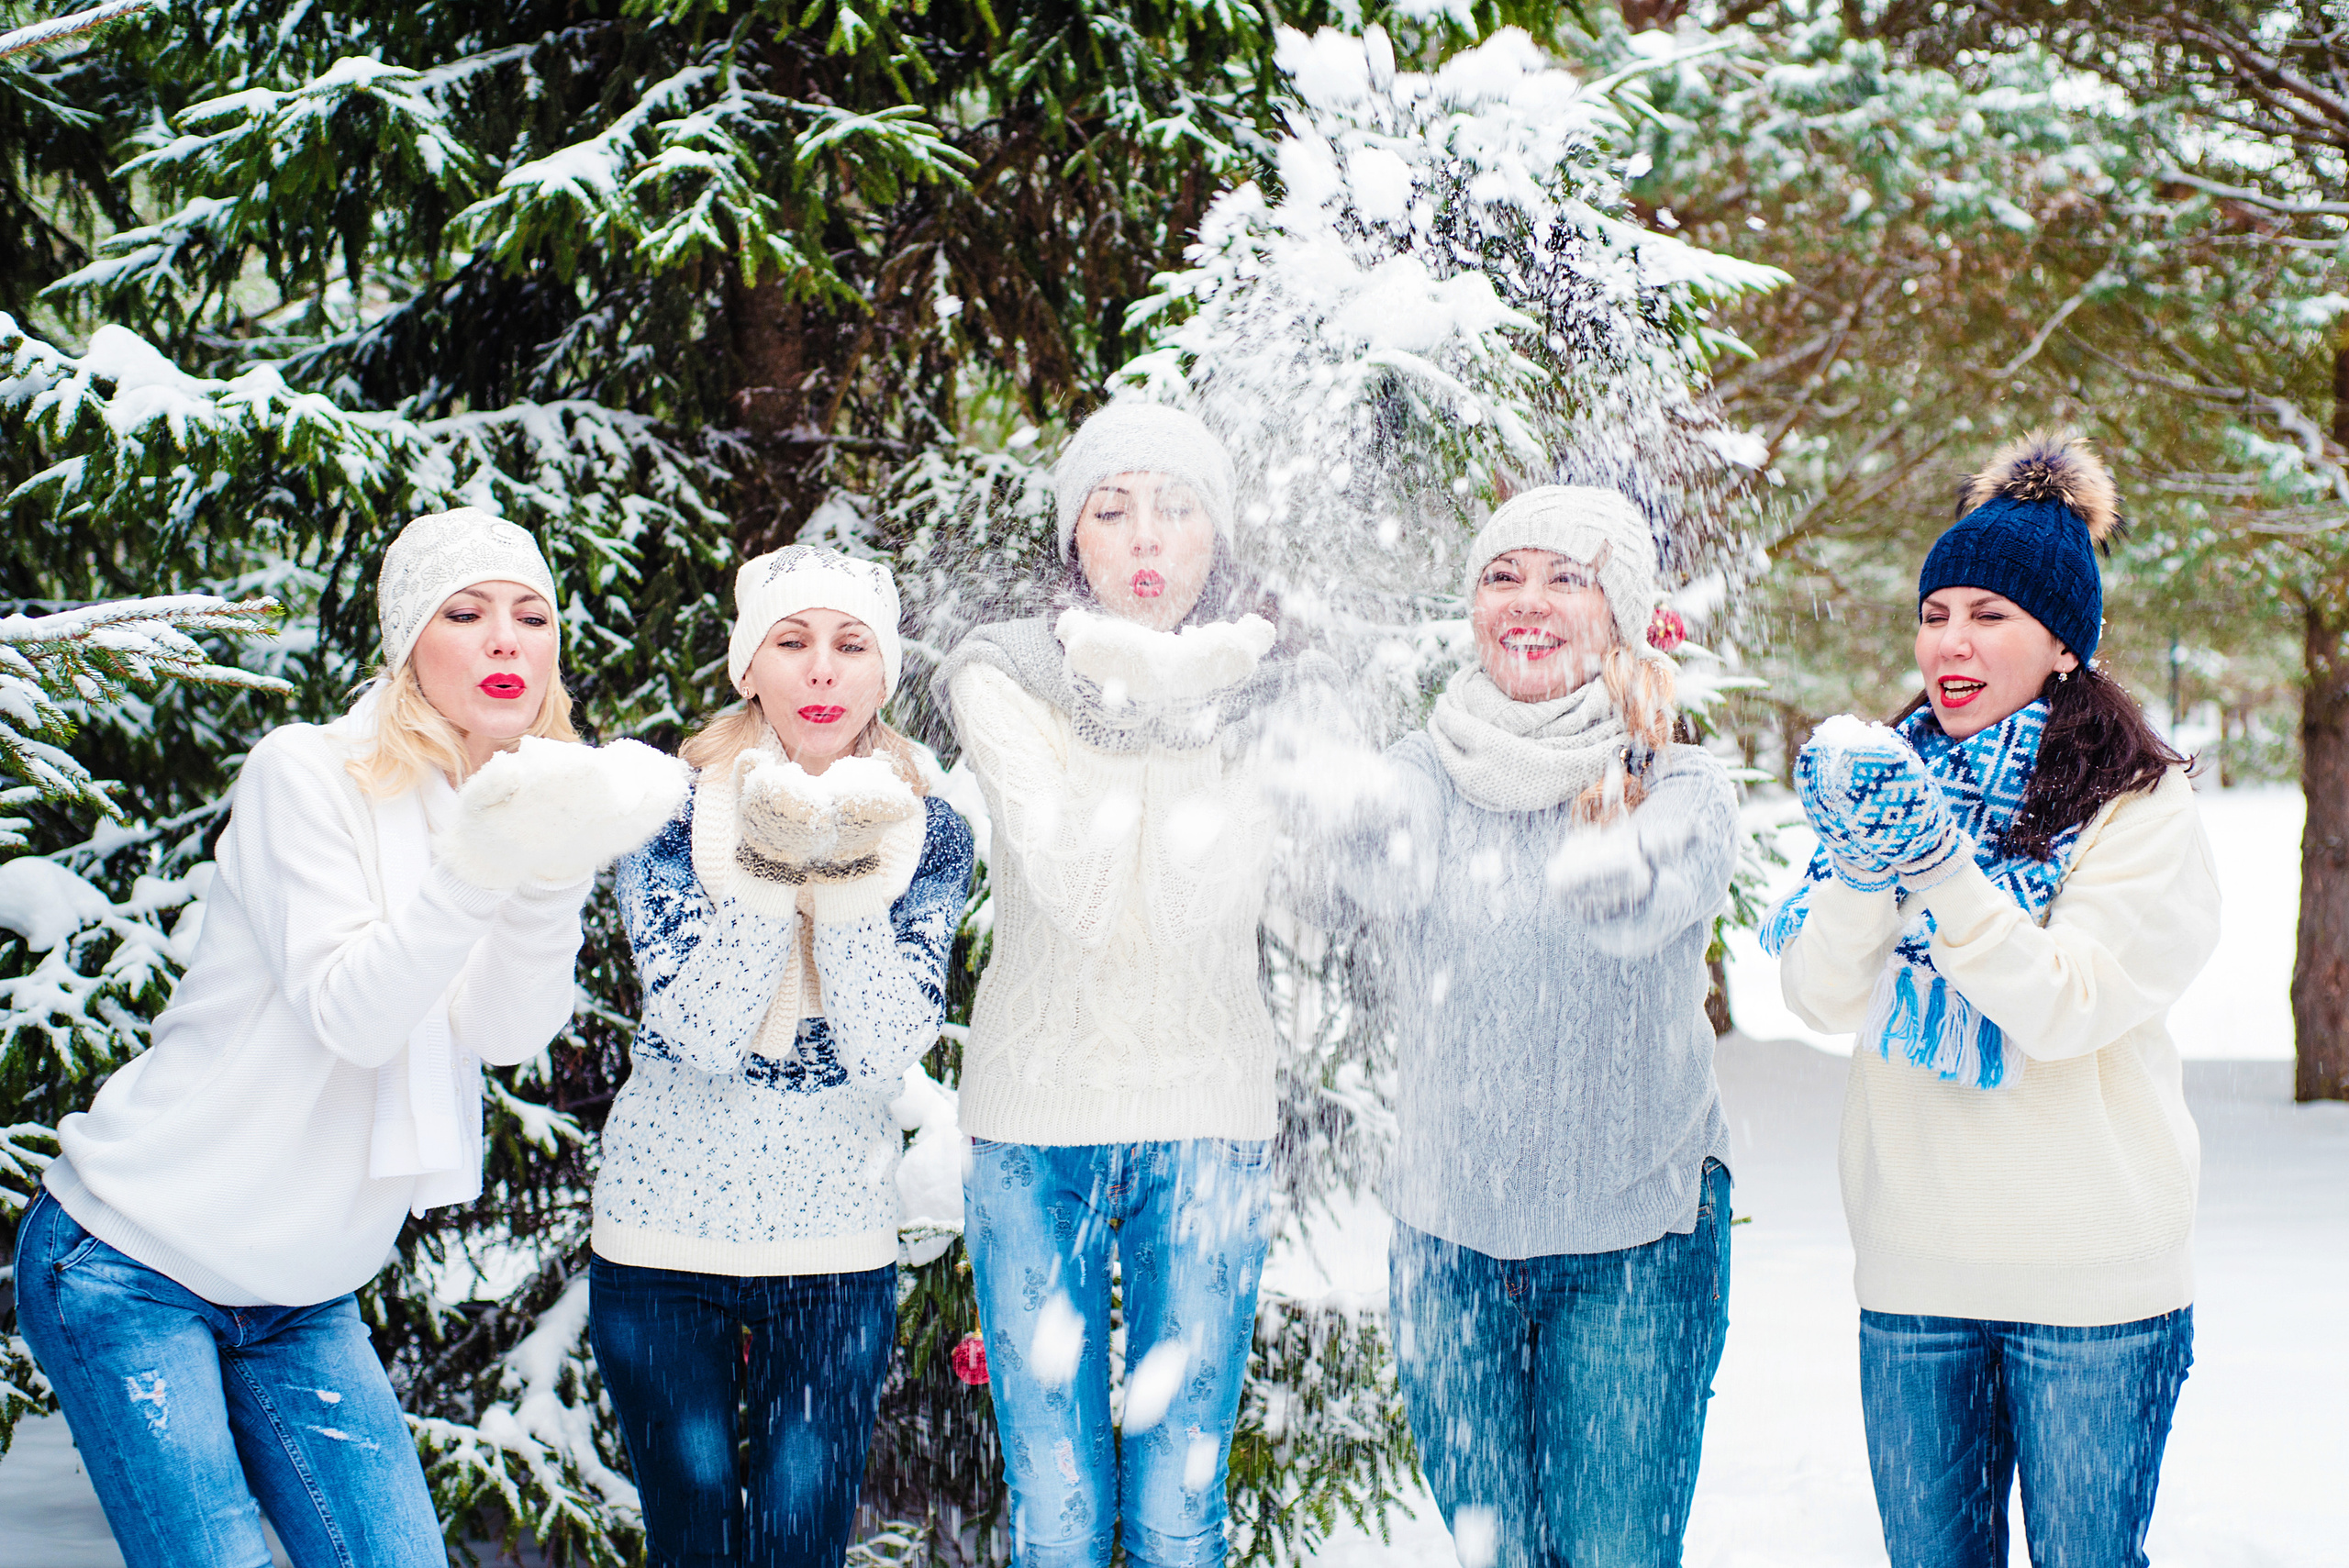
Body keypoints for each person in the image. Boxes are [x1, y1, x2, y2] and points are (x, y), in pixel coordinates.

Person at [16, 507, 680, 1568]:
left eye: (531, 613)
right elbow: (355, 1011)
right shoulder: (307, 775)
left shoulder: (506, 804)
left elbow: (509, 1028)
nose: (507, 636)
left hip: (300, 1290)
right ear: (409, 643)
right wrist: (483, 858)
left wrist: (551, 860)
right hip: (132, 1257)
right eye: (465, 612)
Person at [1765, 432, 2219, 1568]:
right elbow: (1819, 994)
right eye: (1936, 612)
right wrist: (1868, 863)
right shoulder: (1892, 777)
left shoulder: (2139, 807)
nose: (1950, 641)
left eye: (1991, 614)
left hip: (2095, 1291)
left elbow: (2061, 1005)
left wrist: (1934, 861)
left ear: (2064, 641)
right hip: (1917, 1276)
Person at [1290, 484, 1739, 1568]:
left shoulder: (1678, 783)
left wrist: (1608, 861)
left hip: (1633, 1242)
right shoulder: (1421, 772)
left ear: (1620, 612)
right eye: (1502, 574)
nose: (1527, 601)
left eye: (1565, 576)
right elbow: (1368, 862)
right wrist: (1328, 788)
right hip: (1450, 1247)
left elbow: (1635, 905)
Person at [933, 402, 1318, 1568]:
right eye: (1111, 508)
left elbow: (1202, 905)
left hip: (1206, 1120)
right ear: (1075, 543)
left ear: (1217, 537)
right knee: (1053, 1510)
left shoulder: (1274, 684)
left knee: (1174, 1510)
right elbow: (1082, 892)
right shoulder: (998, 675)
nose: (1145, 534)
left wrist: (1190, 686)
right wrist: (1150, 691)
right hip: (1032, 1125)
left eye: (1177, 506)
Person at [588, 544, 974, 1568]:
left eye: (851, 645)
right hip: (664, 1242)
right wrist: (768, 859)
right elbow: (700, 1029)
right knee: (694, 1543)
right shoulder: (667, 811)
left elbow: (888, 1039)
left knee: (800, 1548)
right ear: (744, 665)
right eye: (791, 640)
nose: (821, 669)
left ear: (883, 676)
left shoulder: (928, 834)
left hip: (833, 1251)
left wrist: (843, 863)